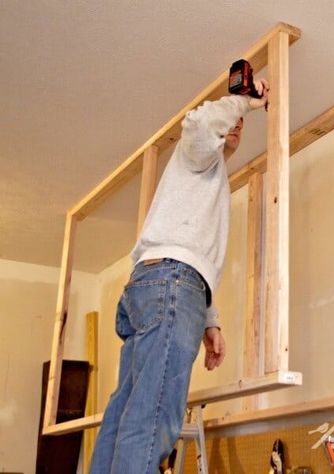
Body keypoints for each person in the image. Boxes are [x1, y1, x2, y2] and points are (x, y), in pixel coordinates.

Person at [90, 77, 270, 474]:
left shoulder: (206, 179)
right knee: (153, 418)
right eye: (230, 122)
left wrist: (208, 318)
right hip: (171, 285)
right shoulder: (196, 155)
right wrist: (242, 100)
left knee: (126, 415)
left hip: (157, 285)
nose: (234, 127)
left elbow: (190, 253)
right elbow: (199, 126)